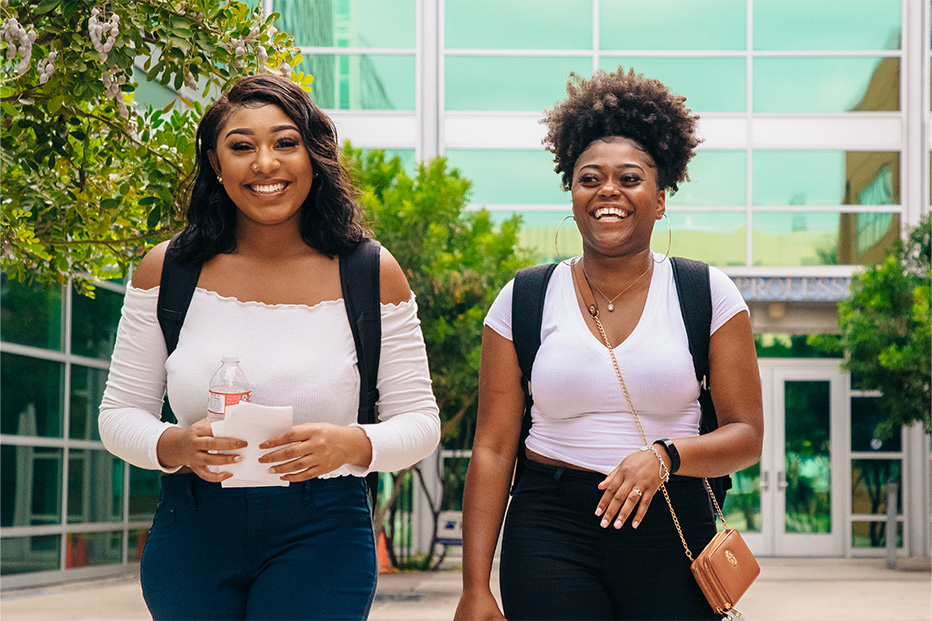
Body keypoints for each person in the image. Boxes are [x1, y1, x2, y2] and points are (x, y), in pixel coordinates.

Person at [99, 74, 441, 620]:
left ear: (315, 157)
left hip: (324, 529)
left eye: (285, 142)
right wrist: (178, 446)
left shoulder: (370, 272)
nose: (265, 163)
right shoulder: (168, 270)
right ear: (215, 162)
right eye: (241, 146)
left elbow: (421, 422)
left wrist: (349, 444)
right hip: (193, 528)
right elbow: (118, 414)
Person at [454, 67, 764, 621]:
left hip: (672, 522)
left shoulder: (706, 292)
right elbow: (494, 448)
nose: (608, 192)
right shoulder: (524, 298)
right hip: (551, 527)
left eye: (630, 177)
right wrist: (475, 586)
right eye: (589, 178)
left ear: (661, 197)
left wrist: (667, 457)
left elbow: (746, 437)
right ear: (572, 194)